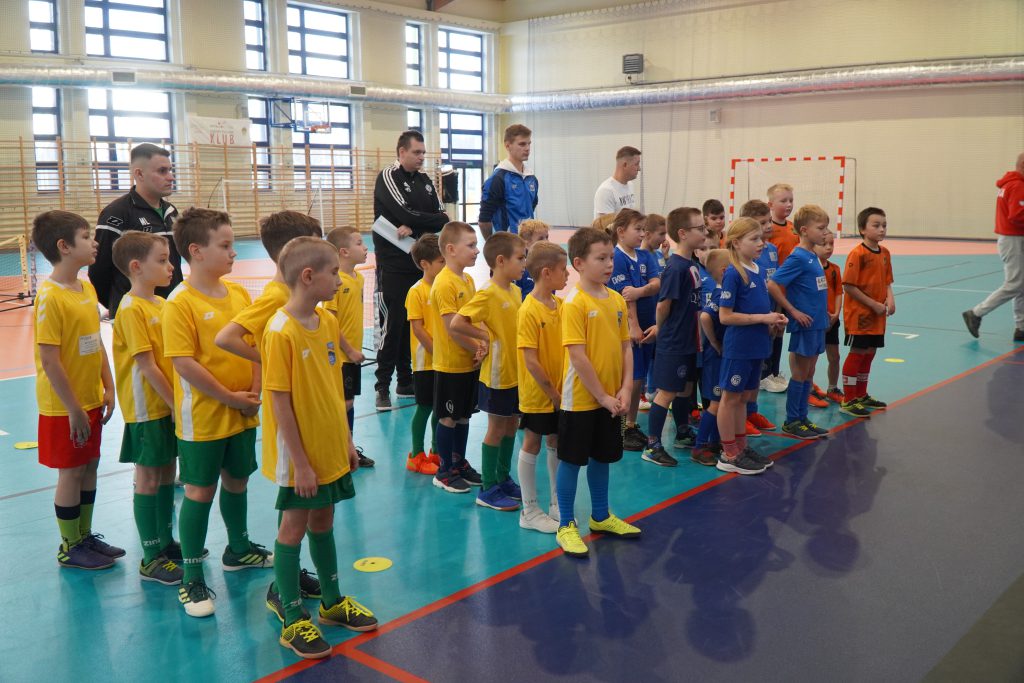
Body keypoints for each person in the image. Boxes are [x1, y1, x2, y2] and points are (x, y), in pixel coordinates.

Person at [260, 237, 378, 659]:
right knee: (293, 529)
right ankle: (292, 617)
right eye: (333, 273)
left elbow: (331, 389)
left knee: (324, 521)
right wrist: (302, 464)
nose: (339, 281)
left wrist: (345, 440)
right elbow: (279, 402)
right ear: (309, 276)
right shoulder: (280, 331)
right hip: (300, 456)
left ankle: (331, 602)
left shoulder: (326, 321)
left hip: (329, 446)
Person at [162, 208, 270, 618]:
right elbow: (183, 363)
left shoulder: (239, 295)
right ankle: (191, 577)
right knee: (200, 491)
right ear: (196, 251)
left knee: (238, 480)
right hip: (204, 416)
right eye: (225, 245)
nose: (233, 252)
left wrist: (255, 387)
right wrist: (229, 396)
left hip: (243, 409)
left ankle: (238, 548)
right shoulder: (180, 302)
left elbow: (254, 344)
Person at [214, 210, 325, 601]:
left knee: (300, 505)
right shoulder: (278, 297)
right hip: (288, 413)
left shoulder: (301, 301)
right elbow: (227, 337)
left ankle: (288, 574)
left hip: (309, 410)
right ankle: (283, 585)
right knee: (293, 501)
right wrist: (271, 361)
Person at [32, 210, 120, 570]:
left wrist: (108, 386)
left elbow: (95, 342)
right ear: (64, 246)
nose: (95, 242)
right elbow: (50, 360)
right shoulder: (49, 297)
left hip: (90, 398)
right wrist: (72, 408)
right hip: (64, 406)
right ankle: (69, 546)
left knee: (90, 465)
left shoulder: (87, 288)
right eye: (86, 237)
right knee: (70, 471)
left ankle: (84, 536)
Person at [555, 227, 641, 558]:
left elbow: (625, 348)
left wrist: (625, 387)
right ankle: (566, 524)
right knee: (571, 460)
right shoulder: (574, 303)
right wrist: (602, 396)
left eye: (611, 258)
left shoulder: (616, 299)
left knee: (602, 456)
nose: (609, 264)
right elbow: (577, 356)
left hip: (612, 398)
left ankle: (601, 516)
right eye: (601, 258)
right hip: (580, 400)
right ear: (579, 263)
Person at [111, 232, 183, 585]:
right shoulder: (130, 308)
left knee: (168, 472)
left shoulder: (161, 304)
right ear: (137, 267)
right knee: (149, 478)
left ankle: (166, 541)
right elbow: (147, 365)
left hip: (167, 405)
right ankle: (150, 555)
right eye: (162, 260)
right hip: (148, 409)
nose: (171, 267)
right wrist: (175, 404)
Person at [373, 130, 449, 411]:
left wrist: (414, 225)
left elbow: (443, 217)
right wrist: (414, 220)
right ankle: (382, 386)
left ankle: (406, 381)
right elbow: (404, 214)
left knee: (415, 322)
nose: (421, 157)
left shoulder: (425, 181)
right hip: (394, 263)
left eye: (423, 153)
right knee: (393, 325)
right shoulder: (388, 176)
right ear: (402, 152)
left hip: (421, 262)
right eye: (416, 152)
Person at [452, 232, 526, 512]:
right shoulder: (487, 293)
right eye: (520, 258)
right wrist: (485, 336)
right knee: (496, 428)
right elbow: (457, 323)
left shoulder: (515, 291)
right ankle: (488, 488)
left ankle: (503, 477)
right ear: (501, 260)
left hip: (516, 372)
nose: (524, 263)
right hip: (497, 374)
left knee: (512, 424)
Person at [716, 218, 788, 475]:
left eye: (761, 238)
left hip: (757, 345)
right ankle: (728, 453)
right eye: (754, 239)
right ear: (736, 243)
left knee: (744, 398)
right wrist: (763, 318)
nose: (761, 243)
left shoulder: (758, 269)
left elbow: (758, 309)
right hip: (739, 347)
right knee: (730, 398)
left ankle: (741, 447)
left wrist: (773, 322)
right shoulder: (733, 273)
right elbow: (725, 316)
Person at [641, 207, 705, 467]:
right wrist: (660, 330)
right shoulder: (675, 268)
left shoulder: (692, 264)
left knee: (685, 389)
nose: (704, 232)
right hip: (674, 341)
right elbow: (663, 306)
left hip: (689, 340)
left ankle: (682, 432)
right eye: (699, 228)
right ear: (682, 233)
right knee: (666, 392)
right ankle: (653, 445)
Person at [89, 144, 182, 317]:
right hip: (135, 313)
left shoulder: (171, 212)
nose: (170, 177)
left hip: (169, 308)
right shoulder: (116, 213)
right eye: (162, 171)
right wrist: (117, 304)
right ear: (139, 174)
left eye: (170, 170)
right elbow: (99, 269)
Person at [516, 242, 570, 533]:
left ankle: (556, 502)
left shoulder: (560, 305)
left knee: (555, 441)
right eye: (563, 269)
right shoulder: (528, 310)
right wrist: (553, 393)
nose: (568, 274)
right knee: (532, 442)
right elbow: (531, 360)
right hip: (540, 394)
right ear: (546, 273)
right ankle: (529, 510)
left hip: (560, 392)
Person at [767, 205, 832, 439]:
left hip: (817, 323)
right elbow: (773, 284)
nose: (825, 232)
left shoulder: (813, 255)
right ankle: (792, 420)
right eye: (821, 228)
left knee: (810, 373)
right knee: (800, 373)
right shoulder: (798, 257)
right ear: (804, 230)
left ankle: (802, 418)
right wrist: (793, 311)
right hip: (805, 325)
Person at [430, 222, 484, 493]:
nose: (477, 250)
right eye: (471, 245)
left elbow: (473, 319)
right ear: (451, 249)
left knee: (463, 416)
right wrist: (478, 347)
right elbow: (453, 328)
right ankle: (443, 471)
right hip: (450, 364)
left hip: (469, 363)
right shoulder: (444, 283)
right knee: (448, 418)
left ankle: (458, 462)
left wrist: (480, 345)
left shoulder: (468, 280)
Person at [607, 209, 659, 453]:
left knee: (640, 379)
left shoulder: (645, 255)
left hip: (649, 326)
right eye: (637, 229)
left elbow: (656, 283)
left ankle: (630, 424)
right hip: (631, 329)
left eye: (643, 229)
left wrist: (641, 291)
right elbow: (626, 297)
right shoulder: (617, 257)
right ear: (620, 231)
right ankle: (620, 427)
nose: (642, 234)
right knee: (631, 378)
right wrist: (634, 325)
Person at [324, 227, 375, 468]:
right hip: (341, 356)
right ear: (344, 251)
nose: (365, 248)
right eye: (359, 243)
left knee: (349, 402)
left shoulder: (359, 278)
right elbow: (330, 322)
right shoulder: (335, 283)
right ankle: (341, 451)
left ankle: (348, 448)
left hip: (352, 354)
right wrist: (350, 350)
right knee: (343, 404)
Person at [839, 207, 894, 418]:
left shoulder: (885, 253)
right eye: (876, 225)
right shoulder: (858, 254)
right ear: (863, 229)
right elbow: (849, 286)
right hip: (860, 315)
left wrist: (890, 299)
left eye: (884, 225)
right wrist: (872, 304)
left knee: (870, 352)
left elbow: (887, 281)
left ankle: (861, 395)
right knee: (858, 352)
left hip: (877, 316)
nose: (881, 229)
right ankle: (849, 399)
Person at [963, 153, 1024, 342]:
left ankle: (1021, 327)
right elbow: (1017, 215)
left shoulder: (1010, 184)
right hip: (1014, 240)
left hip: (1013, 239)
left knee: (1021, 284)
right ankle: (976, 313)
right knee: (1015, 284)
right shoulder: (1018, 186)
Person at [739, 200, 784, 433]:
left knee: (757, 370)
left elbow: (774, 284)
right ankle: (741, 417)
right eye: (762, 222)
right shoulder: (740, 259)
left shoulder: (772, 250)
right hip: (750, 321)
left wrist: (776, 313)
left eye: (768, 221)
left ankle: (752, 411)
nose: (768, 226)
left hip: (768, 317)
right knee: (744, 375)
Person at [404, 234, 444, 476]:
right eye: (441, 262)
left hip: (444, 361)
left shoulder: (444, 287)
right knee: (425, 407)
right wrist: (437, 352)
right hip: (426, 362)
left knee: (440, 408)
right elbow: (418, 329)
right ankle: (416, 455)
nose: (445, 266)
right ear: (424, 264)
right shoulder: (416, 291)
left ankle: (436, 451)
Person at [692, 249, 731, 465]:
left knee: (722, 401)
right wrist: (715, 342)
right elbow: (705, 317)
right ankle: (699, 447)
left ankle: (715, 442)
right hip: (714, 357)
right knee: (715, 403)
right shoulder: (720, 293)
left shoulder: (725, 291)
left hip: (721, 357)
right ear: (724, 271)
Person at [762, 183, 797, 392]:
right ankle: (765, 374)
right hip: (772, 291)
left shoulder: (793, 228)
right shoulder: (767, 230)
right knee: (770, 330)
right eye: (783, 200)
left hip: (788, 292)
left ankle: (774, 372)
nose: (789, 204)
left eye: (791, 200)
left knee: (780, 331)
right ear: (771, 204)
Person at [479, 124, 538, 239]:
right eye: (522, 144)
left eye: (529, 143)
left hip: (528, 242)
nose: (527, 148)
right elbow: (484, 220)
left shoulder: (531, 178)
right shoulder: (498, 179)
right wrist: (493, 244)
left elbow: (531, 206)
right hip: (507, 244)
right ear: (507, 146)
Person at [815, 231, 845, 404]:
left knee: (834, 357)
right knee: (811, 358)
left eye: (831, 244)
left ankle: (832, 388)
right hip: (816, 321)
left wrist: (836, 314)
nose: (828, 248)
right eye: (823, 244)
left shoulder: (835, 269)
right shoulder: (811, 268)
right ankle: (809, 388)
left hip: (832, 321)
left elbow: (839, 293)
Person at [593, 146, 642, 218]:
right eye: (636, 164)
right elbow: (606, 224)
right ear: (625, 165)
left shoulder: (630, 185)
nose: (639, 168)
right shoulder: (606, 191)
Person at [513, 219, 551, 299]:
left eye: (547, 237)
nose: (546, 242)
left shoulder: (550, 266)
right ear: (526, 244)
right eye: (540, 239)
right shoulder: (520, 269)